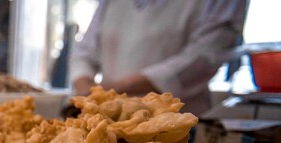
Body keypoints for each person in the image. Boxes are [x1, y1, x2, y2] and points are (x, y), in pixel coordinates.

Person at [69, 0, 248, 115]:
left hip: (177, 128)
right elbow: (84, 51)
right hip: (107, 121)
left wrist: (110, 90)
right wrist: (85, 87)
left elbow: (203, 56)